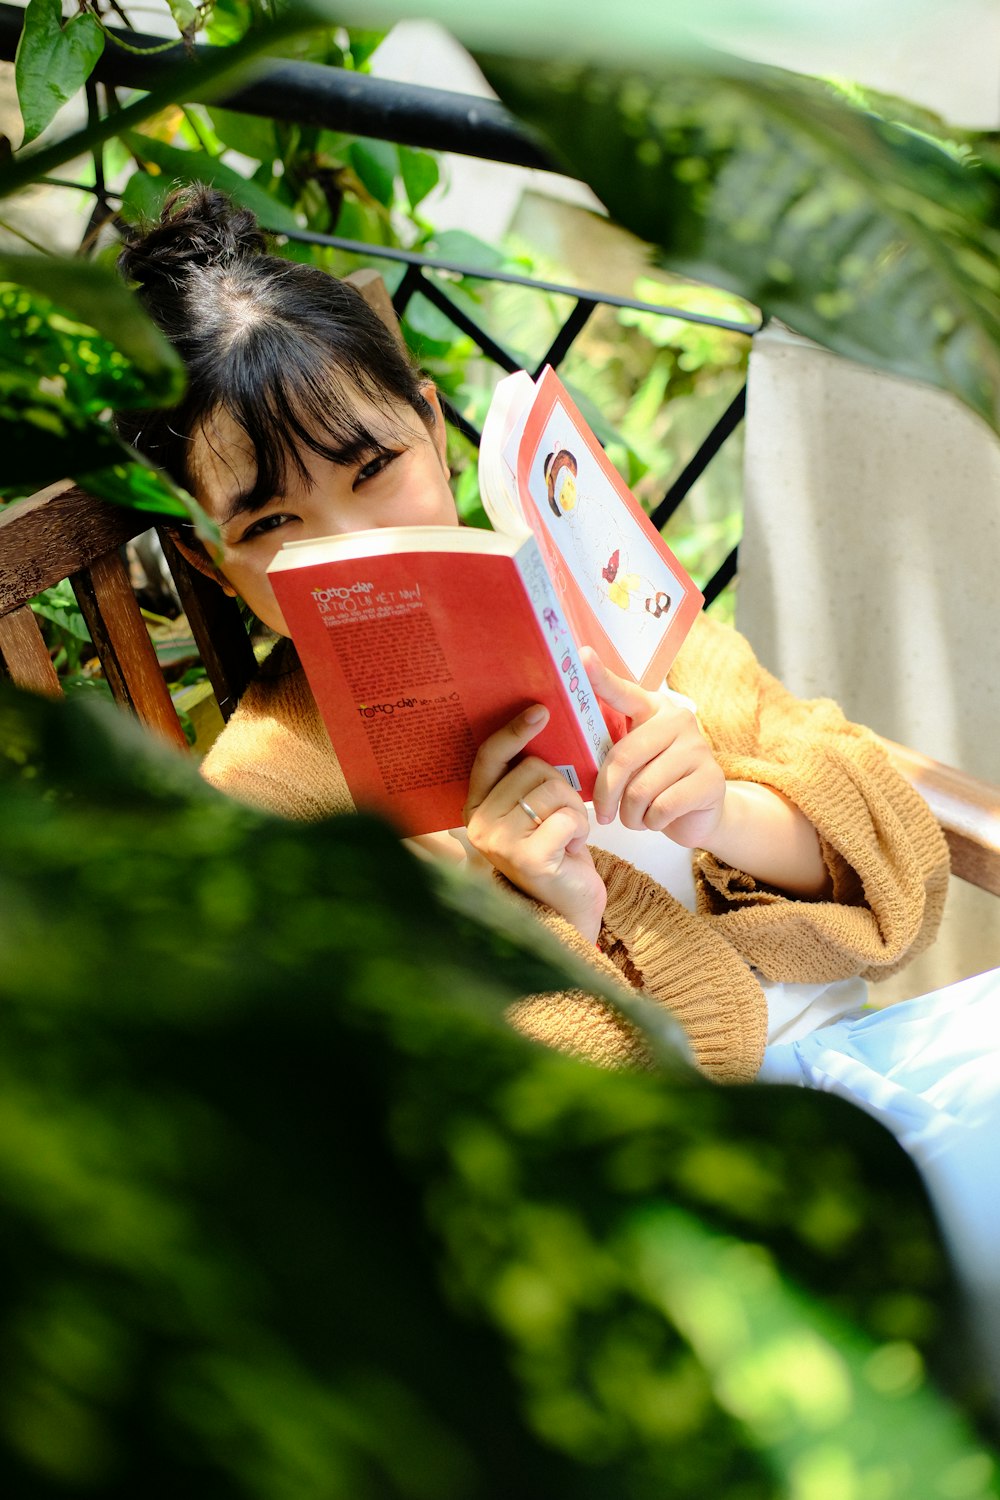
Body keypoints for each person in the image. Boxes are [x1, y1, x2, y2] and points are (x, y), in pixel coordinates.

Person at [113, 189, 999, 1185]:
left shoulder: (585, 582)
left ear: (431, 425)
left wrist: (723, 811)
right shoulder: (272, 799)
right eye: (272, 525)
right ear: (207, 559)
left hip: (878, 1078)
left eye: (374, 469)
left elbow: (902, 873)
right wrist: (541, 923)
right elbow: (469, 1153)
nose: (352, 542)